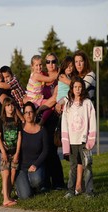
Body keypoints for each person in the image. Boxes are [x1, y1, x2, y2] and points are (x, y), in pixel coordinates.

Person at [59, 50, 96, 195]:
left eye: (81, 61)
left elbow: (81, 87)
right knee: (75, 164)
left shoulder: (90, 76)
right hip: (73, 134)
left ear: (85, 62)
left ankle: (85, 189)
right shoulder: (70, 99)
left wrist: (64, 80)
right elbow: (69, 95)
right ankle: (75, 187)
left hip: (85, 124)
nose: (78, 64)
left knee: (87, 163)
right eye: (76, 62)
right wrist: (60, 101)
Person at [15, 101, 48, 199]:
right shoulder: (20, 129)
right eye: (26, 112)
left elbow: (45, 150)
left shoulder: (42, 130)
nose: (28, 114)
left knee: (36, 181)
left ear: (34, 113)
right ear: (23, 115)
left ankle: (33, 185)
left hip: (36, 166)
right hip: (22, 168)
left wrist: (35, 165)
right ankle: (21, 186)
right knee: (26, 196)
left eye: (30, 112)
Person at [42, 52, 65, 190]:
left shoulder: (60, 78)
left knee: (51, 150)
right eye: (48, 62)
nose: (51, 64)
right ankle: (45, 182)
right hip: (42, 119)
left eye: (53, 61)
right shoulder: (42, 77)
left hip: (54, 118)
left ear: (57, 62)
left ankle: (58, 182)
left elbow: (56, 98)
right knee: (43, 151)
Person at [0, 97, 22, 206]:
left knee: (13, 174)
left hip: (14, 152)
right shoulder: (1, 120)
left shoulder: (17, 120)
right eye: (7, 105)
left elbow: (20, 137)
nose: (10, 107)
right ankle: (5, 199)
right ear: (4, 108)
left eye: (11, 105)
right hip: (5, 153)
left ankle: (8, 194)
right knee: (5, 174)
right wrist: (2, 151)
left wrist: (17, 153)